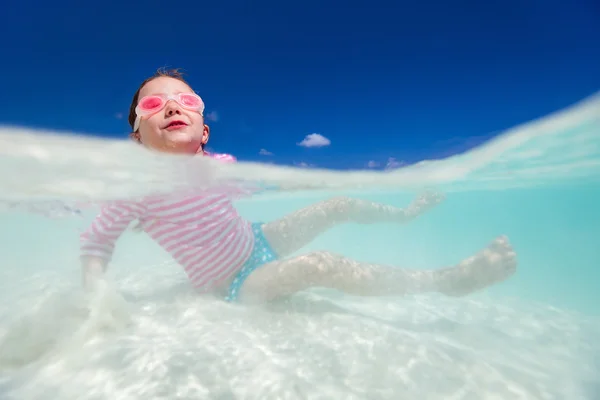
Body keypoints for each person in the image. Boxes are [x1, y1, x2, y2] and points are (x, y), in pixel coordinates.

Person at [80, 68, 517, 303]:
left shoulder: (224, 166)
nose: (173, 106)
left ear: (205, 130)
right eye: (154, 104)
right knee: (320, 263)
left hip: (257, 240)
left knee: (339, 201)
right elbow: (97, 242)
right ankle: (445, 282)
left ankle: (405, 215)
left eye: (187, 100)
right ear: (137, 137)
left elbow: (259, 192)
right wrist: (98, 296)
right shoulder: (136, 192)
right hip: (232, 285)